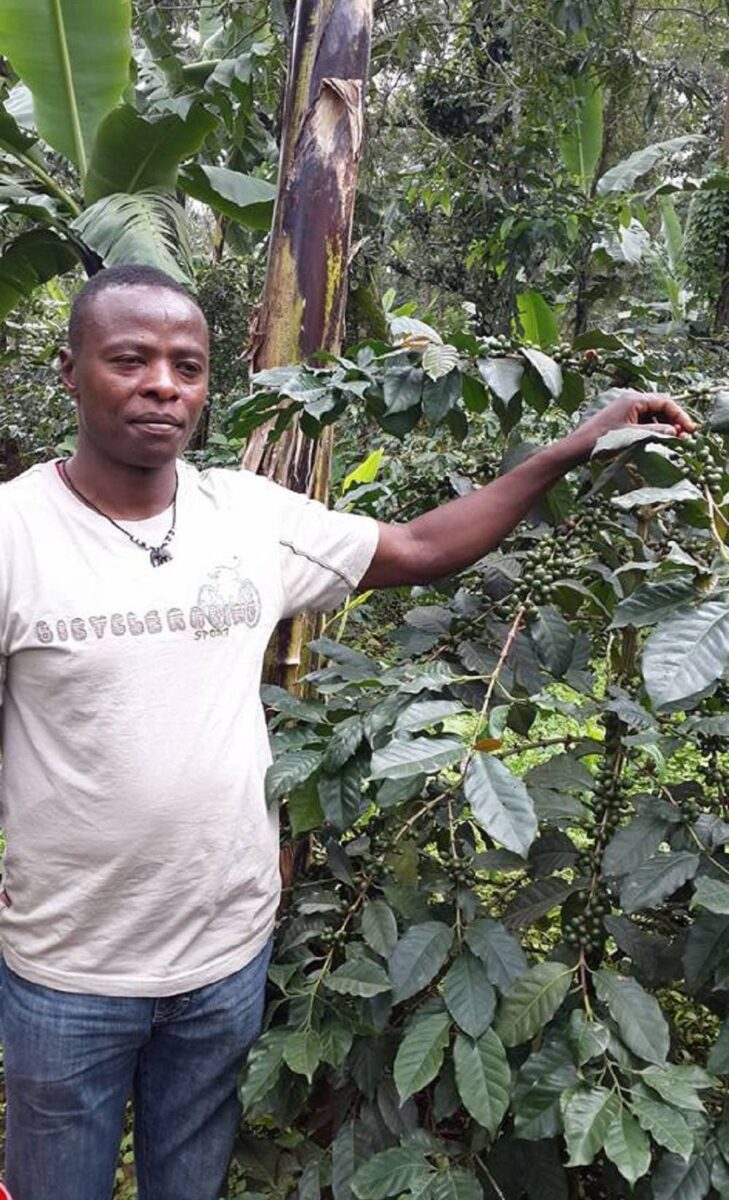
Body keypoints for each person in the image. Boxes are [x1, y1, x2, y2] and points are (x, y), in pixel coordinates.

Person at [0, 265, 695, 1200]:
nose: (163, 384)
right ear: (69, 370)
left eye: (188, 365)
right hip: (67, 973)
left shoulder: (243, 517)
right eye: (130, 359)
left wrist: (568, 449)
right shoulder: (15, 538)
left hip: (225, 956)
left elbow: (418, 549)